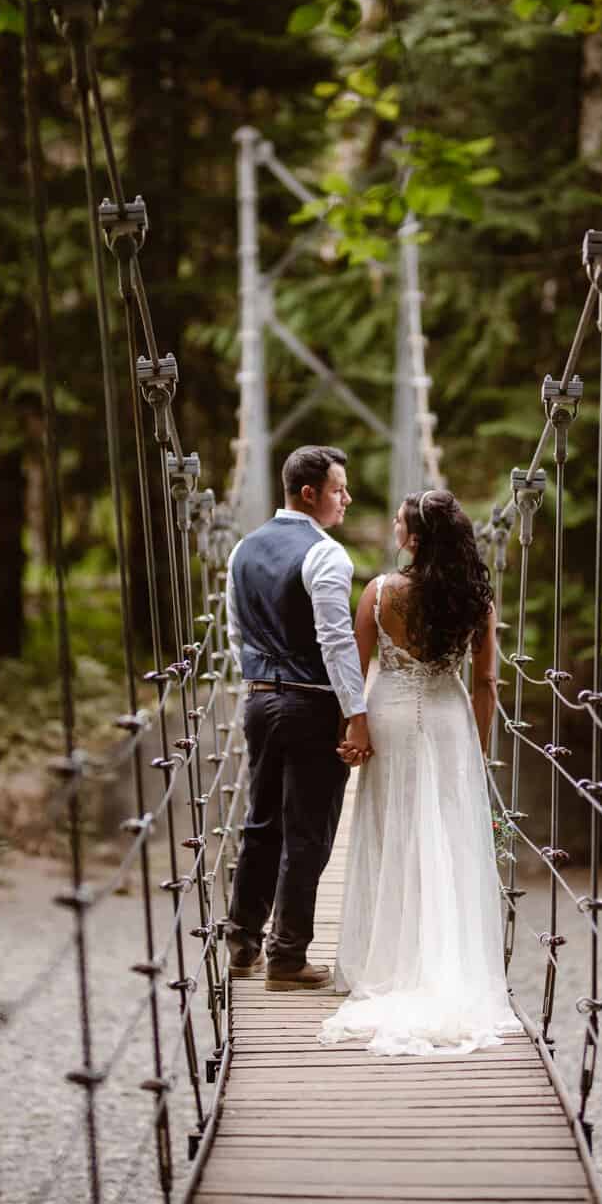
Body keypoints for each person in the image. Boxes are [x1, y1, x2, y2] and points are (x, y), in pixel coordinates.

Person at [319, 488, 520, 1056]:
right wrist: (477, 754)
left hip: (389, 718)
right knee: (449, 833)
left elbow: (354, 671)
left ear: (414, 537)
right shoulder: (476, 601)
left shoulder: (381, 592)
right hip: (449, 717)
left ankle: (387, 958)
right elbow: (485, 683)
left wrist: (351, 729)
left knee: (391, 828)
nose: (393, 524)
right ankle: (446, 958)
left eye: (401, 520)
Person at [225, 444, 371, 992]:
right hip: (311, 703)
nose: (346, 499)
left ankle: (243, 945)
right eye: (338, 490)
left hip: (259, 700)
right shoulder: (326, 554)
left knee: (262, 821)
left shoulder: (243, 548)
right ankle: (288, 957)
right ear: (310, 494)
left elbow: (238, 632)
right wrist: (356, 713)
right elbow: (336, 641)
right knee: (308, 830)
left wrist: (261, 674)